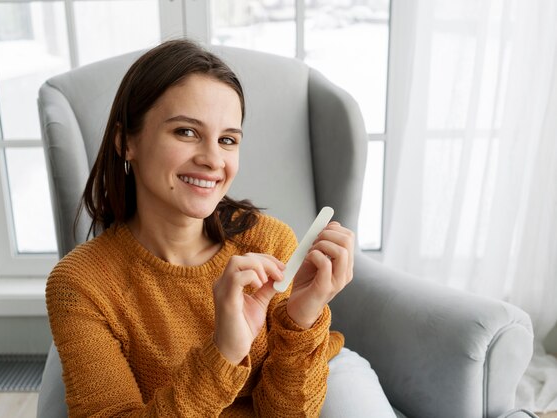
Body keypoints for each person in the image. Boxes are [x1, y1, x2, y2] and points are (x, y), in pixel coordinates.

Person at [46, 39, 393, 417]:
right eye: (186, 132)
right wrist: (224, 351)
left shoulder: (269, 243)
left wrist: (301, 319)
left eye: (227, 140)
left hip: (328, 379)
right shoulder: (81, 283)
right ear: (125, 141)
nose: (213, 159)